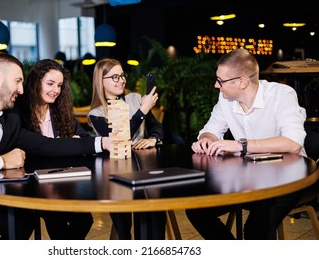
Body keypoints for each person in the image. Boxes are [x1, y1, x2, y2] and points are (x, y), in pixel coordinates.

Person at [0, 52, 110, 240]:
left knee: (23, 222)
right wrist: (1, 161)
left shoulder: (9, 121)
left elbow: (47, 145)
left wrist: (101, 142)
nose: (22, 90)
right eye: (17, 81)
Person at [186, 48, 307, 240]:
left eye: (220, 81)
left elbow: (293, 143)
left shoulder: (281, 95)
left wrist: (241, 145)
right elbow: (210, 130)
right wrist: (205, 140)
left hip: (288, 179)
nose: (216, 86)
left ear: (242, 81)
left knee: (254, 231)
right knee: (196, 209)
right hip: (247, 179)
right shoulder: (226, 99)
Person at [12, 59, 93, 239]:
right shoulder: (19, 113)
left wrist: (77, 139)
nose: (55, 90)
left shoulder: (59, 111)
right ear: (35, 82)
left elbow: (85, 138)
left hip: (62, 182)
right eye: (50, 83)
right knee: (56, 219)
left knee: (85, 220)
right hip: (32, 184)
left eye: (59, 85)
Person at [87, 58, 165, 239]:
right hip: (116, 171)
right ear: (101, 81)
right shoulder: (96, 114)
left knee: (153, 213)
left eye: (122, 75)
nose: (121, 80)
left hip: (144, 166)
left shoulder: (135, 99)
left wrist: (153, 139)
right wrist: (142, 111)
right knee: (123, 224)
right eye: (114, 77)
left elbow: (157, 126)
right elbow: (118, 139)